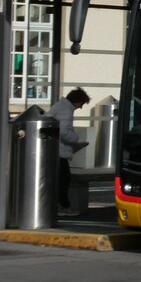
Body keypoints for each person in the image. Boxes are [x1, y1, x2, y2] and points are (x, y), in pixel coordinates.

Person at [49, 87, 90, 216]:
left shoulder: (60, 106)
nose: (81, 107)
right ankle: (63, 207)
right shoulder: (66, 111)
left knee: (61, 179)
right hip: (59, 151)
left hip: (54, 149)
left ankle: (61, 205)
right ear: (77, 101)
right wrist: (76, 138)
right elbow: (64, 132)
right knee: (64, 179)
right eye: (82, 104)